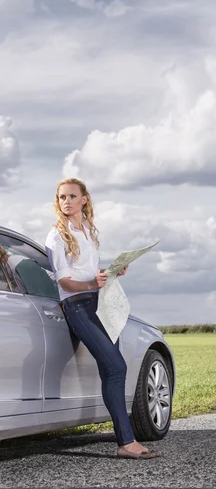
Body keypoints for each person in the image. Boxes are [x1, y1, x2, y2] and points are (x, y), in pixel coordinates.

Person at [45, 177, 161, 460]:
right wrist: (90, 285)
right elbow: (66, 282)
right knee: (116, 366)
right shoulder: (56, 236)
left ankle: (126, 441)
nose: (66, 202)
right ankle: (125, 442)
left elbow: (86, 270)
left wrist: (109, 273)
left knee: (113, 370)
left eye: (72, 196)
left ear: (84, 199)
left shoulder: (87, 230)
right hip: (77, 306)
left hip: (100, 304)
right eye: (62, 197)